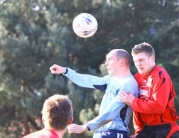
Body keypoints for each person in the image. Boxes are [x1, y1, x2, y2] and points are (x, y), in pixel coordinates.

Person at [49, 49, 138, 138]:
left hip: (115, 133)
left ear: (121, 62)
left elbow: (111, 113)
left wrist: (85, 127)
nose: (106, 63)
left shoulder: (128, 84)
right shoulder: (111, 80)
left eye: (110, 59)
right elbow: (87, 80)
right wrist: (65, 71)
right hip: (102, 132)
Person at [119, 42, 179, 138]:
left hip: (166, 129)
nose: (138, 64)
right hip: (147, 129)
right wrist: (138, 131)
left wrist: (133, 102)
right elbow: (136, 110)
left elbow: (159, 106)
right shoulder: (136, 78)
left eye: (141, 60)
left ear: (152, 58)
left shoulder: (161, 75)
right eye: (135, 61)